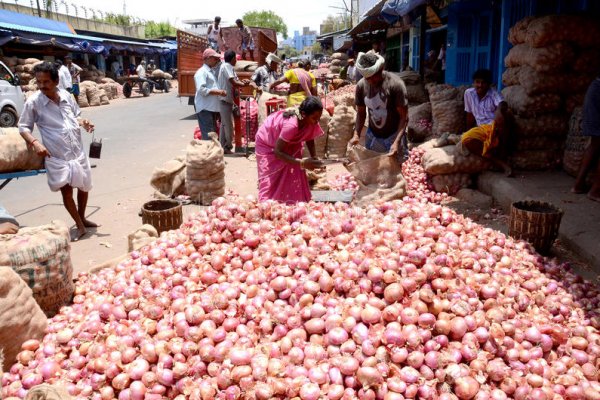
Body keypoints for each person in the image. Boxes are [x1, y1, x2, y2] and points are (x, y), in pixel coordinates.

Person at [18, 62, 98, 241]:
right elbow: (23, 127)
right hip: (57, 155)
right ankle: (78, 225)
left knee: (84, 186)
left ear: (55, 81)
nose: (41, 86)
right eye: (38, 82)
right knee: (67, 191)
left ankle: (83, 217)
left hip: (77, 150)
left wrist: (84, 122)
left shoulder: (67, 96)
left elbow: (77, 115)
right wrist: (36, 143)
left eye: (45, 82)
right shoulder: (34, 102)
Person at [255, 96, 325, 203]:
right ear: (303, 115)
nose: (317, 121)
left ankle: (290, 201)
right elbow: (278, 152)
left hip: (286, 141)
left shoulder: (310, 120)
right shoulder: (291, 125)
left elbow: (309, 137)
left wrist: (314, 157)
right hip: (267, 142)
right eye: (314, 118)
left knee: (293, 169)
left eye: (318, 118)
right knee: (272, 176)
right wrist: (302, 163)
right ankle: (266, 205)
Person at [350, 51, 409, 160]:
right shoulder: (361, 86)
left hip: (394, 135)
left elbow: (404, 117)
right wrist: (356, 134)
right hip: (373, 135)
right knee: (374, 168)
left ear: (381, 69)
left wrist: (396, 142)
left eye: (374, 76)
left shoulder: (396, 84)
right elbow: (361, 113)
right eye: (367, 78)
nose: (371, 81)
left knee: (396, 169)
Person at [460, 69, 513, 176]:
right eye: (477, 82)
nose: (480, 85)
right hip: (481, 128)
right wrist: (468, 130)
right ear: (473, 83)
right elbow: (469, 115)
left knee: (506, 116)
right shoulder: (468, 94)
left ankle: (502, 155)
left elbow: (502, 103)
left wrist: (498, 111)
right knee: (466, 139)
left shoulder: (493, 93)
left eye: (483, 82)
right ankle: (498, 162)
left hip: (494, 127)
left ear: (489, 84)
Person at [572, 76, 600, 201]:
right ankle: (596, 190)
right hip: (597, 93)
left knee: (595, 143)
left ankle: (578, 185)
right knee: (596, 142)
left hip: (595, 90)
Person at [218, 50, 250, 154]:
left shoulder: (229, 68)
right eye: (235, 59)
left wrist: (242, 82)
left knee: (224, 125)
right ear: (233, 59)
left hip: (228, 100)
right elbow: (233, 82)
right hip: (225, 101)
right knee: (228, 126)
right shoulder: (226, 66)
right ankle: (227, 146)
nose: (236, 61)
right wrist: (244, 85)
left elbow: (235, 81)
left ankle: (222, 147)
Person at [194, 48, 226, 139]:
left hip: (210, 108)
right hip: (205, 108)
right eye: (214, 58)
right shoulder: (201, 72)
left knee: (212, 133)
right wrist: (218, 92)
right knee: (209, 135)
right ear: (208, 59)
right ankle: (209, 152)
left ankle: (212, 151)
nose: (217, 60)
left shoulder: (210, 72)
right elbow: (202, 89)